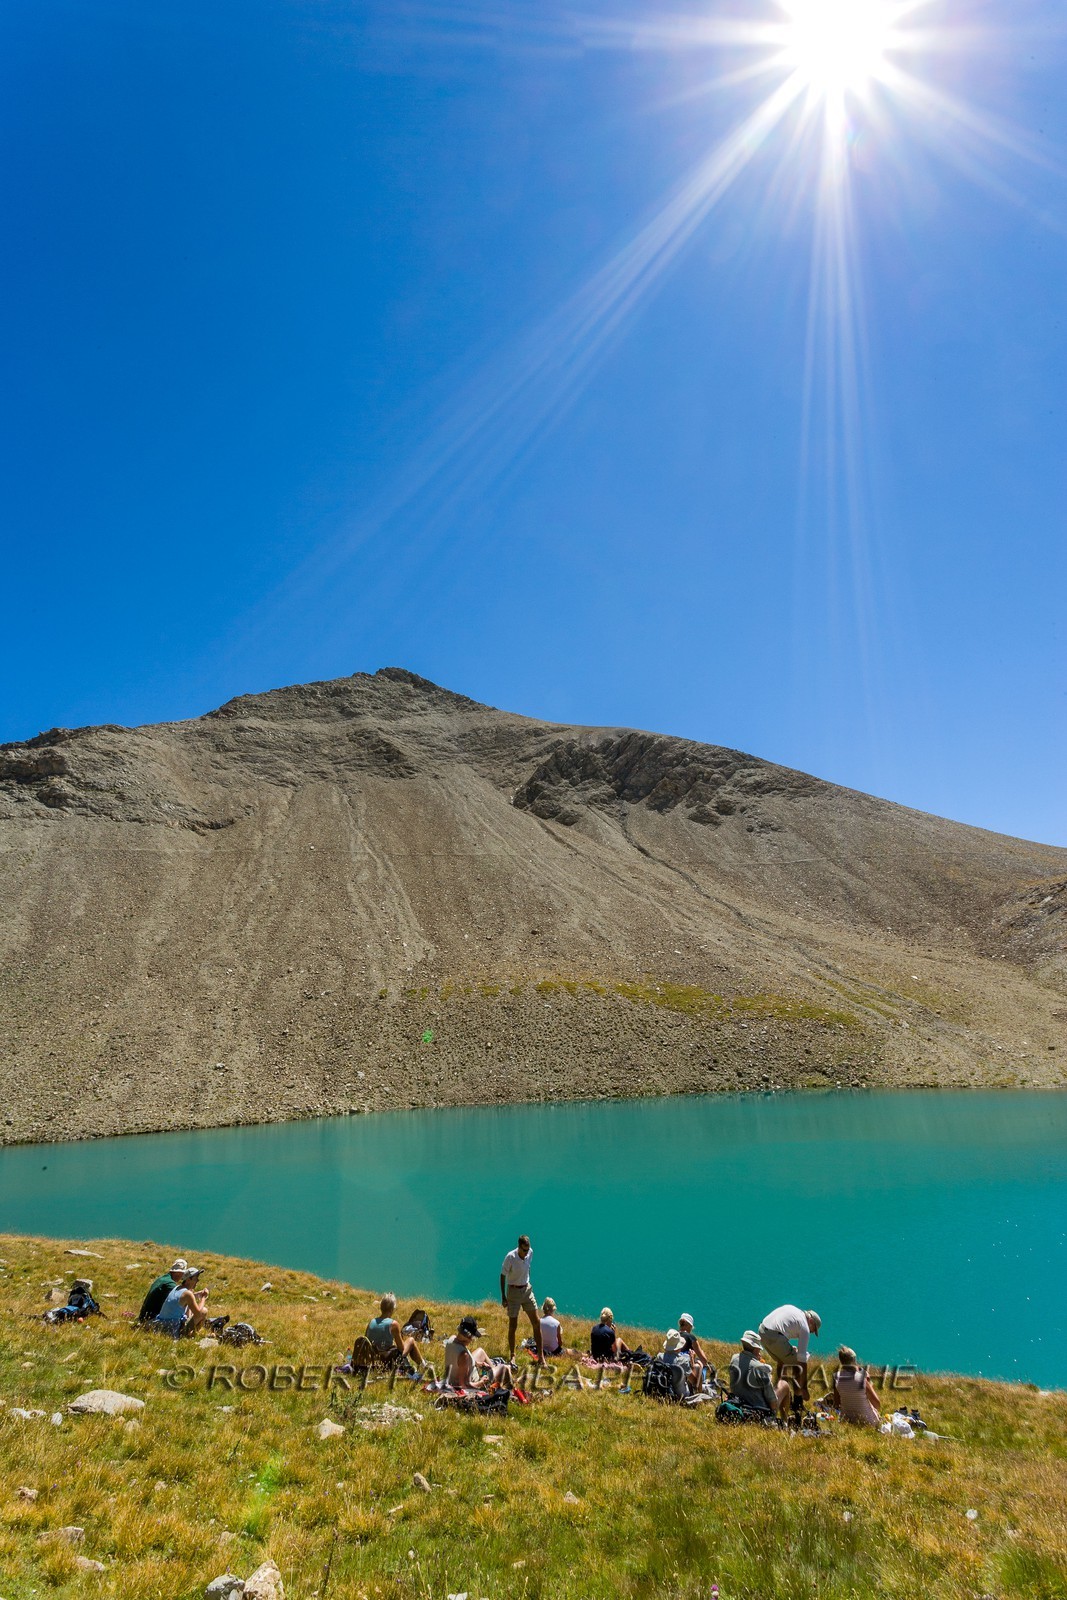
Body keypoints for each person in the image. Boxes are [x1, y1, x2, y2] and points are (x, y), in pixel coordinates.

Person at [757, 1305, 821, 1404]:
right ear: (811, 1321)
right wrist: (804, 1388)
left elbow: (782, 1327)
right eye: (813, 1329)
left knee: (782, 1359)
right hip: (775, 1337)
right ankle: (797, 1402)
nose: (812, 1332)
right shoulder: (804, 1327)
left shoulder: (792, 1309)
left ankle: (781, 1393)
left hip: (762, 1331)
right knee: (797, 1365)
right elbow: (802, 1361)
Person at [500, 1235, 543, 1363]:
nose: (526, 1252)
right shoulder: (510, 1257)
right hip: (513, 1291)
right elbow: (502, 1276)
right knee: (513, 1325)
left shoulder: (530, 1252)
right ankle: (512, 1356)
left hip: (527, 1290)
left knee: (537, 1322)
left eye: (527, 1249)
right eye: (524, 1250)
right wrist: (504, 1296)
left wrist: (526, 1281)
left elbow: (528, 1267)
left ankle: (541, 1357)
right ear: (518, 1247)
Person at [729, 1330, 792, 1417]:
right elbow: (773, 1402)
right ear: (756, 1348)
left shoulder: (734, 1359)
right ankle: (784, 1422)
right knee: (784, 1384)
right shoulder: (760, 1368)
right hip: (760, 1411)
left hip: (739, 1404)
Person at [442, 1315, 507, 1390]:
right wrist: (481, 1382)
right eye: (473, 1337)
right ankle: (496, 1374)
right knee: (503, 1370)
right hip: (468, 1382)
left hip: (451, 1376)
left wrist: (476, 1363)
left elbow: (458, 1362)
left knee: (480, 1351)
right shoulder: (464, 1355)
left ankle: (493, 1369)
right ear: (469, 1336)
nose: (472, 1340)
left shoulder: (452, 1338)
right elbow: (463, 1386)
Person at [364, 1293, 423, 1367]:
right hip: (386, 1359)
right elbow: (401, 1349)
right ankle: (423, 1365)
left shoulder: (371, 1322)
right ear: (392, 1309)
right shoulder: (393, 1324)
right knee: (411, 1340)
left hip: (372, 1359)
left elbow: (365, 1342)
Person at [832, 1346, 881, 1426]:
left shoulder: (836, 1377)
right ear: (854, 1360)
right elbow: (877, 1404)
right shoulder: (862, 1378)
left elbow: (837, 1404)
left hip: (847, 1421)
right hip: (869, 1422)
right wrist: (869, 1383)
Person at [155, 1267, 210, 1335]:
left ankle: (189, 1333)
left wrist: (196, 1295)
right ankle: (190, 1335)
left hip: (161, 1324)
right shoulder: (188, 1294)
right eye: (196, 1278)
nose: (198, 1280)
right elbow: (198, 1313)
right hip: (172, 1328)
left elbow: (183, 1299)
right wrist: (203, 1298)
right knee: (204, 1311)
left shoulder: (177, 1288)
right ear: (189, 1279)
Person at [137, 1257, 188, 1325]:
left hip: (144, 1316)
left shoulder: (163, 1278)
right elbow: (180, 1299)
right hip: (151, 1319)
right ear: (179, 1273)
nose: (182, 1277)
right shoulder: (170, 1284)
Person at [677, 1313, 713, 1394]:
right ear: (689, 1326)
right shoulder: (691, 1337)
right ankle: (699, 1391)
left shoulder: (674, 1336)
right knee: (700, 1364)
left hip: (676, 1372)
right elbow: (704, 1360)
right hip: (688, 1374)